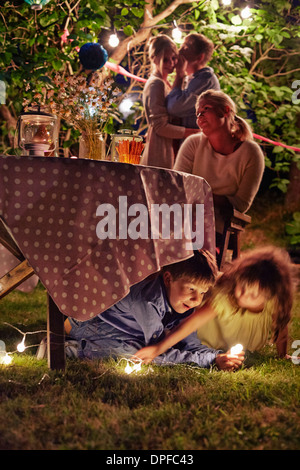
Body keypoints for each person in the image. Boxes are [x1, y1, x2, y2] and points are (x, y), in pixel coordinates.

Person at [64, 250, 244, 371]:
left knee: (141, 347)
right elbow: (156, 352)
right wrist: (209, 361)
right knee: (135, 353)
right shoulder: (147, 301)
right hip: (89, 325)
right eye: (191, 289)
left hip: (127, 331)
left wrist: (218, 356)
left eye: (203, 292)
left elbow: (187, 341)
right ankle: (71, 349)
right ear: (168, 278)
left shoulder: (184, 304)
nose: (197, 299)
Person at [133, 246, 296, 364]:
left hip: (232, 346)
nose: (244, 295)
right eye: (243, 288)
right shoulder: (226, 299)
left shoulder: (273, 303)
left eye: (253, 295)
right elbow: (191, 324)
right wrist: (158, 349)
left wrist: (283, 355)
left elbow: (281, 328)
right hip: (205, 341)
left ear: (269, 296)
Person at [173, 89, 265, 238]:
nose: (200, 116)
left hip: (220, 222)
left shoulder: (251, 152)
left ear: (225, 110)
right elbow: (177, 185)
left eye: (205, 109)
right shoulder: (193, 143)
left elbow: (241, 204)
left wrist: (203, 195)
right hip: (184, 214)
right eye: (197, 113)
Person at [140, 34, 199, 169]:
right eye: (165, 59)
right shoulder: (156, 84)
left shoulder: (165, 82)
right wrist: (194, 133)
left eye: (174, 58)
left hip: (168, 146)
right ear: (154, 59)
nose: (171, 63)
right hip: (160, 150)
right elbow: (160, 126)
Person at [167, 33, 220, 129]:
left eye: (186, 48)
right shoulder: (192, 79)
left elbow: (174, 107)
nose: (180, 51)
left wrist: (179, 74)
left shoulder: (205, 80)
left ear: (200, 57)